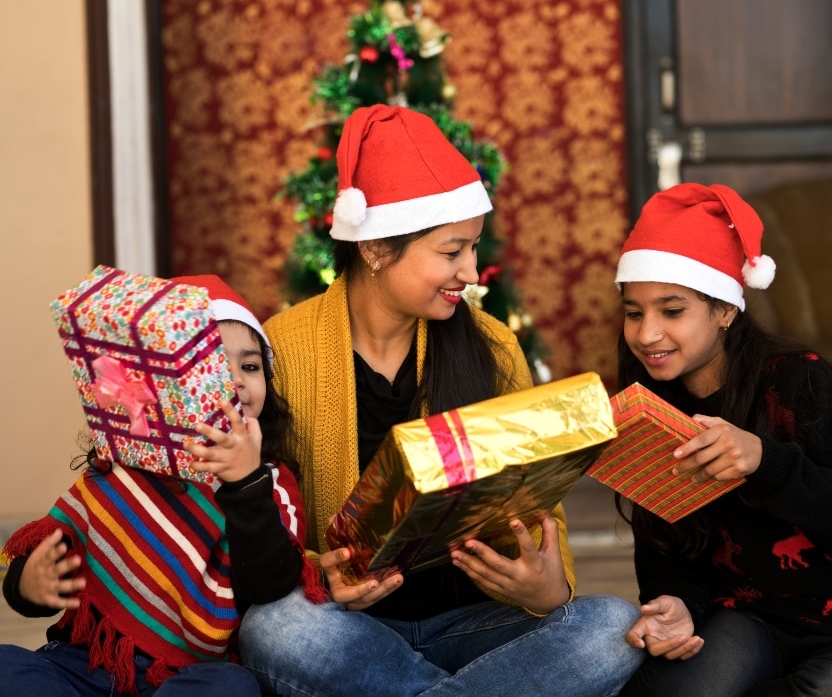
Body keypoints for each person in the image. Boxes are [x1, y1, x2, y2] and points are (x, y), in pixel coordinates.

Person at [239, 103, 643, 697]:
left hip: (475, 621)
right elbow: (268, 516)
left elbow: (540, 507)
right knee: (272, 627)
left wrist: (547, 587)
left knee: (613, 626)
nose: (472, 272)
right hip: (352, 631)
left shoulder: (492, 346)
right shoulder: (283, 348)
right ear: (376, 249)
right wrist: (323, 577)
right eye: (452, 252)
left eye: (473, 249)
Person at [0, 275, 324, 696]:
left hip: (183, 677)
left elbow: (270, 584)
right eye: (213, 366)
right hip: (85, 660)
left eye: (250, 365)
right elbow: (42, 571)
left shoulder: (270, 482)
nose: (238, 380)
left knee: (230, 687)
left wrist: (245, 484)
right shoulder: (120, 467)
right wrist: (30, 586)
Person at [612, 183, 832, 696]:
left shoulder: (800, 382)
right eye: (634, 311)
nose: (647, 335)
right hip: (745, 619)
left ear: (726, 310)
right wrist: (677, 605)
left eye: (672, 310)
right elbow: (666, 548)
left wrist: (767, 461)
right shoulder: (648, 404)